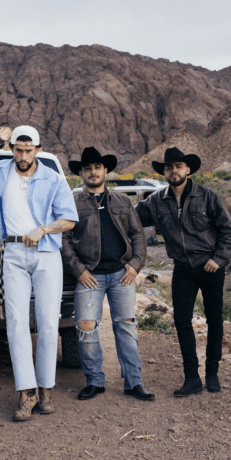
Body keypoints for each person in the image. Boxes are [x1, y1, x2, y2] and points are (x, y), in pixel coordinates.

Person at [0, 126, 78, 421]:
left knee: (48, 323)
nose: (22, 156)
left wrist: (43, 228)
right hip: (11, 252)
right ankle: (26, 393)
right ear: (11, 149)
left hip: (46, 253)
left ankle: (47, 390)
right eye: (18, 150)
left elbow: (69, 219)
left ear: (38, 148)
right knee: (17, 322)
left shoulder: (53, 178)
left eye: (28, 150)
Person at [135, 147, 231, 397]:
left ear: (188, 169)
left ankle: (212, 372)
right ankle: (192, 378)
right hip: (182, 268)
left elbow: (228, 231)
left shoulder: (207, 196)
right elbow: (130, 217)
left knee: (214, 319)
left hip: (210, 267)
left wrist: (219, 258)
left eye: (178, 166)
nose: (173, 171)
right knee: (182, 321)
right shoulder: (156, 201)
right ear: (164, 172)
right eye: (169, 167)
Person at [62, 147, 154, 402]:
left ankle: (134, 382)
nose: (93, 172)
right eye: (88, 168)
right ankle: (94, 381)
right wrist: (78, 269)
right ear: (81, 173)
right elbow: (65, 239)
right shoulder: (73, 202)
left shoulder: (123, 201)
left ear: (105, 171)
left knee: (126, 327)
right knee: (86, 327)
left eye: (97, 167)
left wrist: (135, 265)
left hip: (121, 274)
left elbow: (138, 235)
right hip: (89, 275)